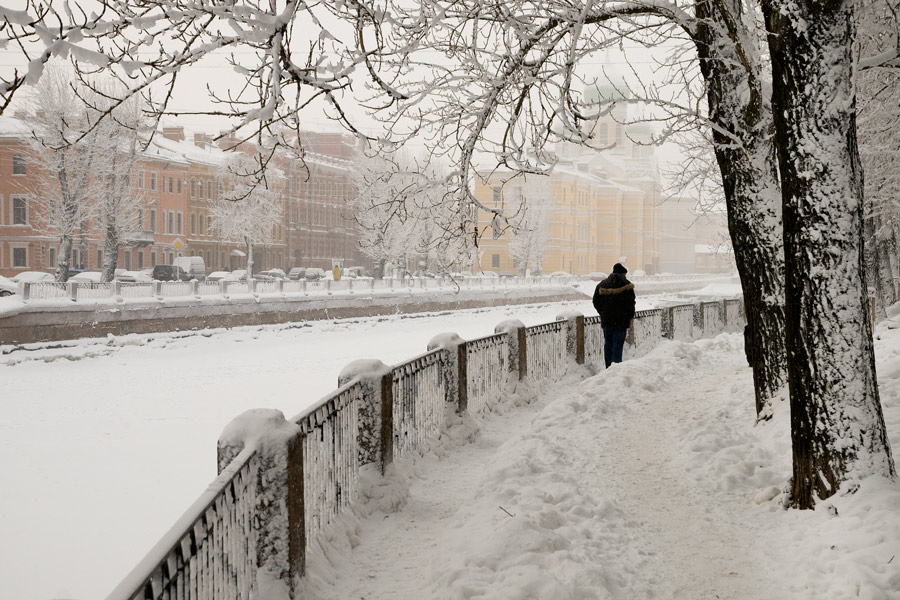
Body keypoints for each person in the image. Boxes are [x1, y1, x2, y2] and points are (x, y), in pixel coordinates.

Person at [592, 263, 636, 368]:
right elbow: (631, 303)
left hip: (607, 321)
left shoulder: (602, 285)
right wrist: (628, 316)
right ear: (623, 273)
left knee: (608, 345)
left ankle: (608, 367)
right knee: (618, 345)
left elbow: (596, 301)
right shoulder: (627, 285)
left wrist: (603, 313)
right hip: (621, 321)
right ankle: (616, 368)